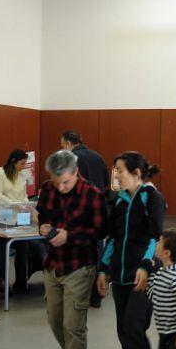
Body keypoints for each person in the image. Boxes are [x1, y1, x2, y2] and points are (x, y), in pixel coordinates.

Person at [36, 150, 107, 349]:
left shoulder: (93, 195)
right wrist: (43, 227)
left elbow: (100, 233)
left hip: (79, 265)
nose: (61, 187)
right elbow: (42, 213)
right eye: (56, 183)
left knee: (73, 324)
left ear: (76, 172)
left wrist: (70, 236)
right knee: (55, 319)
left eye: (65, 182)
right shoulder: (47, 188)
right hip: (53, 263)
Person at [97, 152, 165, 349]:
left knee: (134, 327)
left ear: (136, 174)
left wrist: (146, 265)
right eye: (115, 170)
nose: (115, 175)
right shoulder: (120, 201)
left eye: (120, 170)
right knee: (123, 329)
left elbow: (154, 236)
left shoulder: (152, 198)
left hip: (144, 275)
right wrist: (103, 269)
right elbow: (113, 238)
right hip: (120, 274)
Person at [60, 131, 109, 308]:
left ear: (67, 143)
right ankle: (96, 295)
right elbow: (106, 184)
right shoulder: (98, 157)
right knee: (97, 253)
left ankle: (78, 295)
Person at [0, 149, 46, 293]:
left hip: (19, 217)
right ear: (13, 161)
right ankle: (0, 283)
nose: (23, 166)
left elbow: (24, 195)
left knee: (23, 249)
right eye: (22, 163)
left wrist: (29, 207)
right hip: (2, 216)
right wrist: (15, 204)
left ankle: (21, 283)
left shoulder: (22, 175)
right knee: (2, 250)